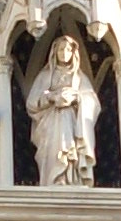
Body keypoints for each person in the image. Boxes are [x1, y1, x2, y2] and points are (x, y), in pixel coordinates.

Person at [25, 30, 100, 186]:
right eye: (61, 49)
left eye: (68, 50)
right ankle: (54, 179)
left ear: (73, 54)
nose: (64, 53)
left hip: (71, 120)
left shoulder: (79, 78)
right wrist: (51, 97)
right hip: (50, 121)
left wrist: (76, 98)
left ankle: (71, 178)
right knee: (54, 148)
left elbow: (93, 102)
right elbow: (32, 103)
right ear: (55, 52)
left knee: (69, 146)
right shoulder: (45, 76)